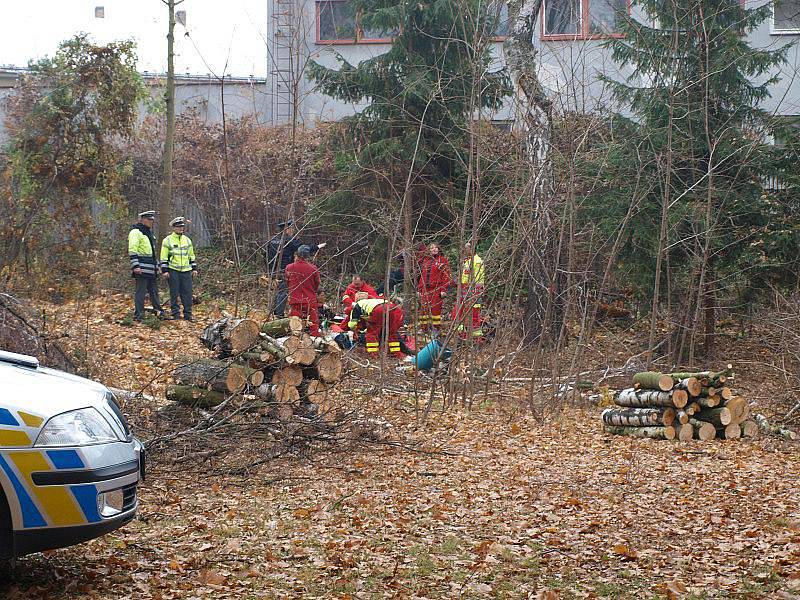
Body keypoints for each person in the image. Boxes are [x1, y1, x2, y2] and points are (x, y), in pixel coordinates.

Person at [265, 220, 326, 317]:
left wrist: (269, 271)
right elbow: (302, 249)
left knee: (277, 291)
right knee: (283, 292)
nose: (292, 231)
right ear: (287, 229)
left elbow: (267, 256)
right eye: (291, 228)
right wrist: (317, 247)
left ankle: (273, 313)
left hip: (273, 270)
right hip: (284, 270)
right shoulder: (288, 240)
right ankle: (279, 316)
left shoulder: (272, 240)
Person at [343, 295, 414, 357]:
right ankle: (397, 353)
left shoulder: (356, 307)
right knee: (391, 332)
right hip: (391, 307)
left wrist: (354, 330)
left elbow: (352, 325)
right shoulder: (370, 301)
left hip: (379, 310)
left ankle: (373, 354)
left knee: (372, 334)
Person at [128, 210, 164, 322]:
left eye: (152, 220)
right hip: (141, 269)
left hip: (151, 269)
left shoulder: (149, 233)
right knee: (141, 293)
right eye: (149, 219)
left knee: (154, 292)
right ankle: (138, 315)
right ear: (142, 220)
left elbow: (153, 253)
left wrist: (157, 266)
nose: (151, 222)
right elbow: (132, 250)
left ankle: (159, 313)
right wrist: (135, 266)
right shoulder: (135, 232)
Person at [160, 216, 197, 321]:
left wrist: (194, 268)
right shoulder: (167, 240)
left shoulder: (187, 240)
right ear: (174, 228)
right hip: (173, 270)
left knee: (187, 293)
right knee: (174, 293)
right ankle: (175, 314)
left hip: (186, 271)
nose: (181, 228)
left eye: (182, 227)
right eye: (178, 227)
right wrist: (165, 270)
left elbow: (191, 255)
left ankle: (188, 315)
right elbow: (163, 256)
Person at [284, 245, 321, 336]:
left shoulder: (289, 267)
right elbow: (317, 284)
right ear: (307, 256)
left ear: (297, 254)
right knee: (314, 325)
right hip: (310, 301)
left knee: (294, 326)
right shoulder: (313, 268)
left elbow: (287, 283)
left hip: (295, 300)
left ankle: (294, 342)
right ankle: (315, 341)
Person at [452, 245, 485, 340]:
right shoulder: (467, 261)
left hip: (473, 291)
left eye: (467, 249)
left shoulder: (477, 261)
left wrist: (476, 291)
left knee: (474, 312)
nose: (465, 251)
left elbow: (479, 279)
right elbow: (464, 277)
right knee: (458, 310)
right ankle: (460, 333)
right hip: (465, 291)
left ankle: (476, 338)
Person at [418, 243, 450, 331]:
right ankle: (424, 329)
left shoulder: (442, 260)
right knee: (424, 310)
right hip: (425, 290)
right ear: (428, 250)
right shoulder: (425, 261)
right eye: (432, 248)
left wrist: (444, 290)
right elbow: (422, 276)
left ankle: (436, 330)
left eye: (436, 247)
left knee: (435, 309)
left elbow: (446, 276)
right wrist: (419, 289)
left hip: (437, 289)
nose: (434, 249)